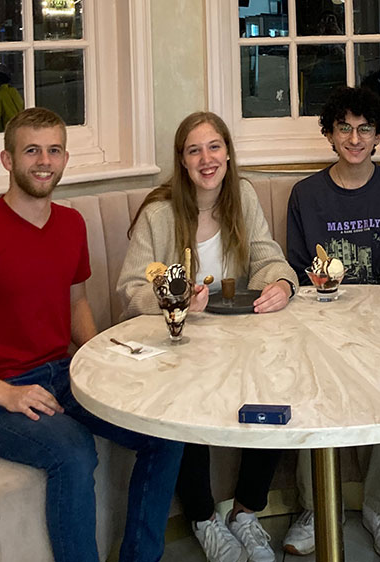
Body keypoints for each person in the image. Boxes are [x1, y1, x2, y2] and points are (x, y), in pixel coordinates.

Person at [0, 107, 184, 562]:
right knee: (74, 450)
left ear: (65, 159)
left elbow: (74, 303)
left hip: (63, 375)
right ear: (8, 160)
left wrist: (105, 354)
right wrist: (6, 395)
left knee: (165, 431)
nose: (44, 160)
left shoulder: (71, 225)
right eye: (31, 150)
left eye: (54, 150)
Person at [116, 111, 299, 562]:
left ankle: (245, 511)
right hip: (179, 342)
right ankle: (203, 519)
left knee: (275, 386)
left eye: (214, 146)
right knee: (184, 399)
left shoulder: (243, 197)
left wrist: (282, 284)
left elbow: (267, 257)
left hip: (236, 338)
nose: (206, 158)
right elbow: (130, 288)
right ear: (181, 160)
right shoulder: (159, 213)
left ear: (228, 152)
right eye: (194, 150)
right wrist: (173, 300)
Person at [284, 86, 380, 558]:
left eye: (365, 129)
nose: (354, 138)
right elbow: (297, 270)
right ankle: (314, 507)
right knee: (308, 384)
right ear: (330, 134)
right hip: (319, 322)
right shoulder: (305, 195)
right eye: (344, 128)